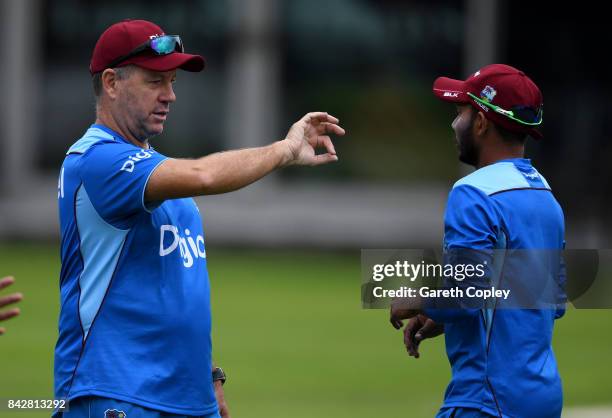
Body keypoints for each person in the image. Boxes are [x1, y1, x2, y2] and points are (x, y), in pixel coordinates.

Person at [54, 19, 345, 418]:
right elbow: (204, 175)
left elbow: (170, 285)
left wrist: (207, 375)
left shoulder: (149, 168)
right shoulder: (97, 159)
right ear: (111, 82)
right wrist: (284, 149)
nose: (170, 96)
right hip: (117, 393)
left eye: (172, 82)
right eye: (155, 81)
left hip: (185, 397)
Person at [390, 64, 565, 418]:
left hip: (486, 400)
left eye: (461, 113)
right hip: (541, 397)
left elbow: (466, 294)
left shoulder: (473, 193)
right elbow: (551, 301)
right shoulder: (544, 193)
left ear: (482, 123)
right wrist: (446, 315)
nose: (455, 124)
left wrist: (415, 300)